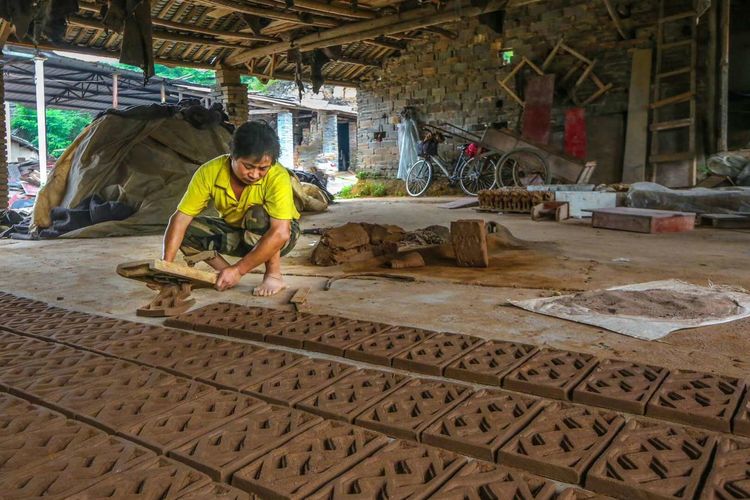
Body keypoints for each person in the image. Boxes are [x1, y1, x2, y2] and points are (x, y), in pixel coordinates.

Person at [162, 121, 300, 296]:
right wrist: (166, 267)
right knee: (186, 230)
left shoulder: (277, 175)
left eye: (263, 168)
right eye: (248, 166)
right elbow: (180, 218)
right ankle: (225, 273)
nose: (254, 174)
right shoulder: (209, 172)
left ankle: (274, 275)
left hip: (280, 237)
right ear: (233, 156)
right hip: (238, 233)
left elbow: (281, 232)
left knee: (258, 215)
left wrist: (239, 270)